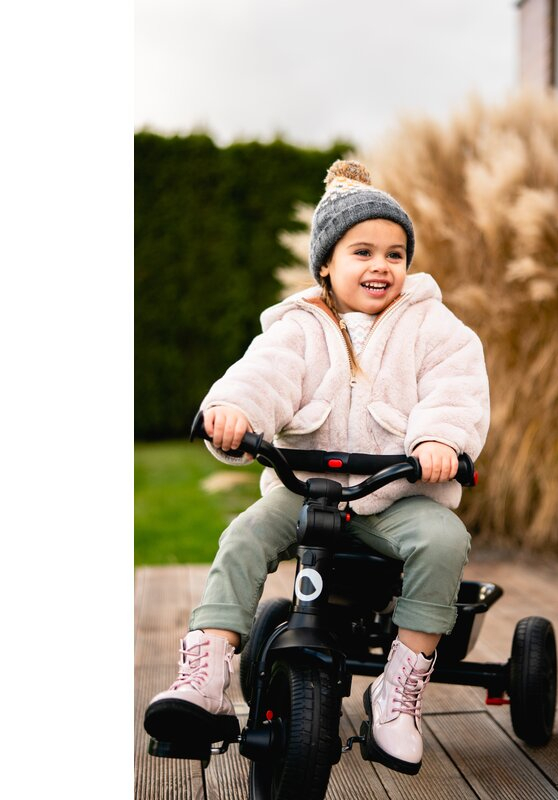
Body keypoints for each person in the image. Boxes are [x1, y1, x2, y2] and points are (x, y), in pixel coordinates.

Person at [144, 159, 490, 774]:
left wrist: (439, 441)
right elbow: (262, 377)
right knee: (245, 533)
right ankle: (206, 673)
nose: (381, 266)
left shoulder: (434, 326)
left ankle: (399, 689)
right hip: (306, 491)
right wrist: (233, 411)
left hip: (394, 497)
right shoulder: (299, 326)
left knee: (444, 540)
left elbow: (454, 390)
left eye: (395, 254)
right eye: (363, 252)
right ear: (326, 263)